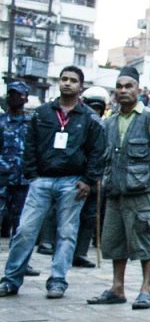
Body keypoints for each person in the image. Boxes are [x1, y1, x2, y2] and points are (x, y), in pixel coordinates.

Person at [0, 67, 105, 299]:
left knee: (66, 233)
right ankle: (10, 280)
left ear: (81, 87)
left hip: (73, 182)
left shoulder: (89, 117)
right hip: (42, 180)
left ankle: (58, 280)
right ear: (59, 83)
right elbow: (30, 145)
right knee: (25, 231)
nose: (67, 83)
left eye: (73, 80)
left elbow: (98, 151)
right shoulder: (42, 113)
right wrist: (33, 174)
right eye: (64, 79)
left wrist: (88, 180)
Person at [88, 66, 150, 309]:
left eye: (128, 86)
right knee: (115, 241)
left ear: (138, 90)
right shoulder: (109, 122)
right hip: (114, 192)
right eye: (119, 86)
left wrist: (141, 175)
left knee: (144, 239)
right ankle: (117, 287)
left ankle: (145, 289)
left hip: (141, 193)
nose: (123, 91)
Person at [73, 86, 110, 266]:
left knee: (90, 216)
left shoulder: (106, 126)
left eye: (98, 109)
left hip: (97, 177)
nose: (95, 112)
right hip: (77, 175)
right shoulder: (77, 123)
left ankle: (80, 252)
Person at [0, 81, 32, 247]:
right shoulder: (1, 121)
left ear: (26, 98)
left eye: (18, 94)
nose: (14, 98)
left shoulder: (32, 122)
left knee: (21, 224)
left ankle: (18, 263)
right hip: (2, 179)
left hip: (23, 180)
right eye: (11, 94)